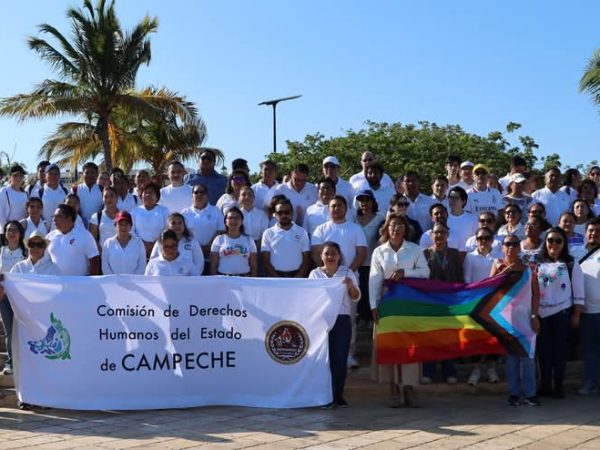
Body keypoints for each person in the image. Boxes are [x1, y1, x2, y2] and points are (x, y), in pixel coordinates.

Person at [370, 213, 430, 407]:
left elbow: (425, 272)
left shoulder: (415, 249)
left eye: (400, 226)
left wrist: (406, 273)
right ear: (387, 228)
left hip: (409, 304)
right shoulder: (379, 252)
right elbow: (374, 279)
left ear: (406, 230)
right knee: (390, 345)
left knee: (409, 344)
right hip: (387, 303)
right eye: (393, 225)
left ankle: (409, 387)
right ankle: (394, 387)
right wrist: (373, 305)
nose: (396, 229)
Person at [312, 196, 367, 369]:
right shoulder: (320, 229)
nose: (336, 209)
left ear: (346, 208)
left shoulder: (355, 228)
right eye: (333, 206)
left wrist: (344, 273)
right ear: (328, 209)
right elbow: (316, 253)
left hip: (347, 281)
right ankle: (324, 355)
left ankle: (349, 354)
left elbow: (362, 253)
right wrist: (329, 273)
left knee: (349, 319)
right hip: (324, 282)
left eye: (340, 206)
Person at [490, 235, 541, 406]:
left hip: (526, 319)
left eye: (514, 244)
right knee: (511, 358)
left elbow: (536, 294)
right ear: (502, 247)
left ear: (519, 247)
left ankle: (530, 393)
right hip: (506, 320)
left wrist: (534, 316)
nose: (511, 247)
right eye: (507, 244)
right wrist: (504, 273)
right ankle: (514, 393)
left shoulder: (529, 269)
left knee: (528, 357)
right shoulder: (497, 265)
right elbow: (489, 289)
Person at [309, 241, 361, 408]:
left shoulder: (347, 272)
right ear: (321, 256)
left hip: (341, 319)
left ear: (339, 256)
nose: (330, 256)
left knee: (339, 358)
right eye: (327, 253)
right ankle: (323, 395)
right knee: (323, 359)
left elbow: (356, 297)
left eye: (334, 253)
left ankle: (338, 395)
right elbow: (309, 298)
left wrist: (351, 286)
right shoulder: (315, 274)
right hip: (321, 321)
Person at [536, 227, 585, 399]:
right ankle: (545, 385)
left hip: (562, 313)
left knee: (560, 351)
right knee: (543, 351)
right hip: (541, 314)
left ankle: (558, 386)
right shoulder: (537, 263)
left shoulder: (571, 264)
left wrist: (576, 314)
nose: (554, 244)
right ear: (545, 242)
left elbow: (579, 291)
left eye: (558, 241)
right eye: (550, 240)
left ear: (564, 244)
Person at [422, 222, 463, 384]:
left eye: (442, 232)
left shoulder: (454, 254)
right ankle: (428, 372)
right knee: (430, 337)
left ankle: (450, 372)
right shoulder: (425, 254)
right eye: (436, 232)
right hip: (430, 302)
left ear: (448, 235)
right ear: (431, 235)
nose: (439, 235)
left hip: (450, 301)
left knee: (449, 337)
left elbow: (460, 277)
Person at [464, 226, 500, 386]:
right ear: (476, 241)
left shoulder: (498, 257)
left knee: (493, 336)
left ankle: (492, 368)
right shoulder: (470, 257)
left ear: (492, 240)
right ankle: (476, 369)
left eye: (486, 238)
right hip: (476, 302)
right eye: (480, 238)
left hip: (494, 303)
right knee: (476, 337)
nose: (483, 241)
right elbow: (467, 281)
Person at [0, 221, 27, 375]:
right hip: (4, 298)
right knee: (9, 331)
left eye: (15, 230)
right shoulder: (1, 251)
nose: (11, 233)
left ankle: (25, 362)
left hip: (21, 298)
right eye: (9, 230)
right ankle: (10, 363)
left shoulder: (26, 253)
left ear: (20, 234)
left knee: (23, 330)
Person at [354, 190, 385, 324]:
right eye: (361, 200)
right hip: (356, 262)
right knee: (359, 290)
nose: (364, 203)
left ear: (373, 202)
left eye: (367, 200)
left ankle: (371, 319)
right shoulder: (353, 218)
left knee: (371, 291)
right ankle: (361, 318)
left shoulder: (380, 218)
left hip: (373, 262)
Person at [261, 198, 311, 278]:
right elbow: (265, 260)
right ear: (275, 215)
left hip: (298, 276)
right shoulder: (268, 233)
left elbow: (306, 258)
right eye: (280, 213)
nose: (283, 215)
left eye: (287, 212)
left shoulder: (302, 232)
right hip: (274, 277)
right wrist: (277, 278)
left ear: (292, 213)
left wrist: (298, 276)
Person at [578, 218, 600, 395]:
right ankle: (591, 382)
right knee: (590, 350)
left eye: (598, 231)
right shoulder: (575, 252)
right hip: (584, 312)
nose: (594, 234)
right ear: (585, 233)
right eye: (591, 230)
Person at [46, 204, 100, 276]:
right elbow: (45, 261)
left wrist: (91, 281)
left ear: (69, 218)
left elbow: (94, 259)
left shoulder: (85, 235)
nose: (54, 220)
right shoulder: (49, 237)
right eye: (54, 216)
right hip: (57, 281)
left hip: (80, 282)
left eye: (58, 216)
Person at [210, 207, 258, 276]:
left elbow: (254, 265)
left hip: (244, 278)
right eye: (230, 218)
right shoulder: (219, 239)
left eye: (237, 218)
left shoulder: (249, 240)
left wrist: (253, 279)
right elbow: (213, 265)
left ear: (242, 221)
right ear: (225, 222)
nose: (233, 221)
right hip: (223, 278)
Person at [130, 182, 170, 257]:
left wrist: (156, 244)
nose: (147, 195)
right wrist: (143, 244)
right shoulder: (134, 211)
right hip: (139, 248)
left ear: (157, 197)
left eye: (151, 193)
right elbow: (131, 230)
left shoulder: (164, 211)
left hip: (160, 248)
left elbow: (167, 229)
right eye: (145, 192)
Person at [446, 186, 478, 253]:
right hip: (448, 255)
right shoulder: (444, 218)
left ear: (464, 201)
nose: (453, 200)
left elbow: (476, 240)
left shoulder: (473, 219)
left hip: (468, 255)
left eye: (456, 198)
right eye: (451, 197)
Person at [0, 165, 28, 231]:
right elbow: (1, 213)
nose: (18, 178)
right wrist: (6, 229)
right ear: (10, 177)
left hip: (22, 231)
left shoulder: (26, 193)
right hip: (7, 231)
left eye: (20, 175)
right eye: (15, 175)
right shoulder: (4, 191)